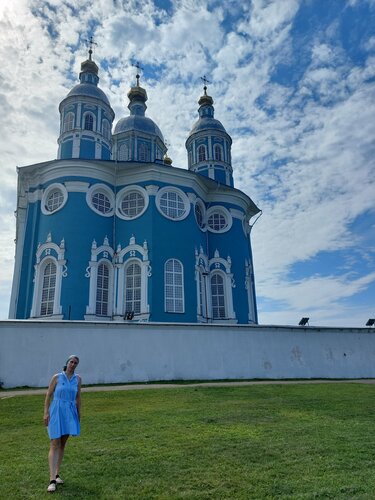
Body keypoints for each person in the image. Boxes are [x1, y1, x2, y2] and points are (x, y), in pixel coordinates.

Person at [43, 355, 81, 493]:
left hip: (70, 414)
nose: (73, 364)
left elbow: (78, 397)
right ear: (67, 363)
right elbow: (48, 394)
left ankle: (57, 474)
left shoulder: (78, 379)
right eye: (71, 361)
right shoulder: (57, 377)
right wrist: (46, 412)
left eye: (75, 363)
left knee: (63, 444)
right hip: (56, 411)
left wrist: (79, 414)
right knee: (54, 443)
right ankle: (52, 480)